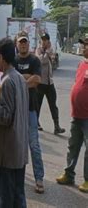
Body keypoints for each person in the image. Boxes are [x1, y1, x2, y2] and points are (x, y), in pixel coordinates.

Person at [0, 38, 30, 207]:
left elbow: (6, 117)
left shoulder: (8, 81)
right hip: (19, 150)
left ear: (2, 57)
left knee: (6, 198)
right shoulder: (20, 79)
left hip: (8, 153)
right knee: (18, 196)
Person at [56, 34, 88, 193]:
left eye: (86, 45)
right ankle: (69, 174)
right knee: (73, 146)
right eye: (83, 44)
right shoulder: (82, 64)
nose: (83, 47)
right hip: (77, 115)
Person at [15, 31, 45, 193]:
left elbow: (37, 80)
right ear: (17, 44)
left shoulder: (34, 60)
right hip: (15, 109)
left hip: (30, 109)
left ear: (28, 44)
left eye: (25, 42)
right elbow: (9, 78)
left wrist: (19, 81)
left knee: (34, 145)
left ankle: (39, 178)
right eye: (21, 42)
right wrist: (27, 77)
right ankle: (17, 177)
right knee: (17, 145)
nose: (23, 44)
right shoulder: (13, 60)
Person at [36, 33, 65, 134]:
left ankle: (57, 126)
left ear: (48, 41)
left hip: (49, 82)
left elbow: (52, 60)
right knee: (38, 104)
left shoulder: (50, 50)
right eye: (42, 39)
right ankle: (36, 123)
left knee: (53, 104)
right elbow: (41, 61)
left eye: (46, 40)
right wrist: (47, 52)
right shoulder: (39, 50)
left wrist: (49, 53)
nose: (44, 41)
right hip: (41, 82)